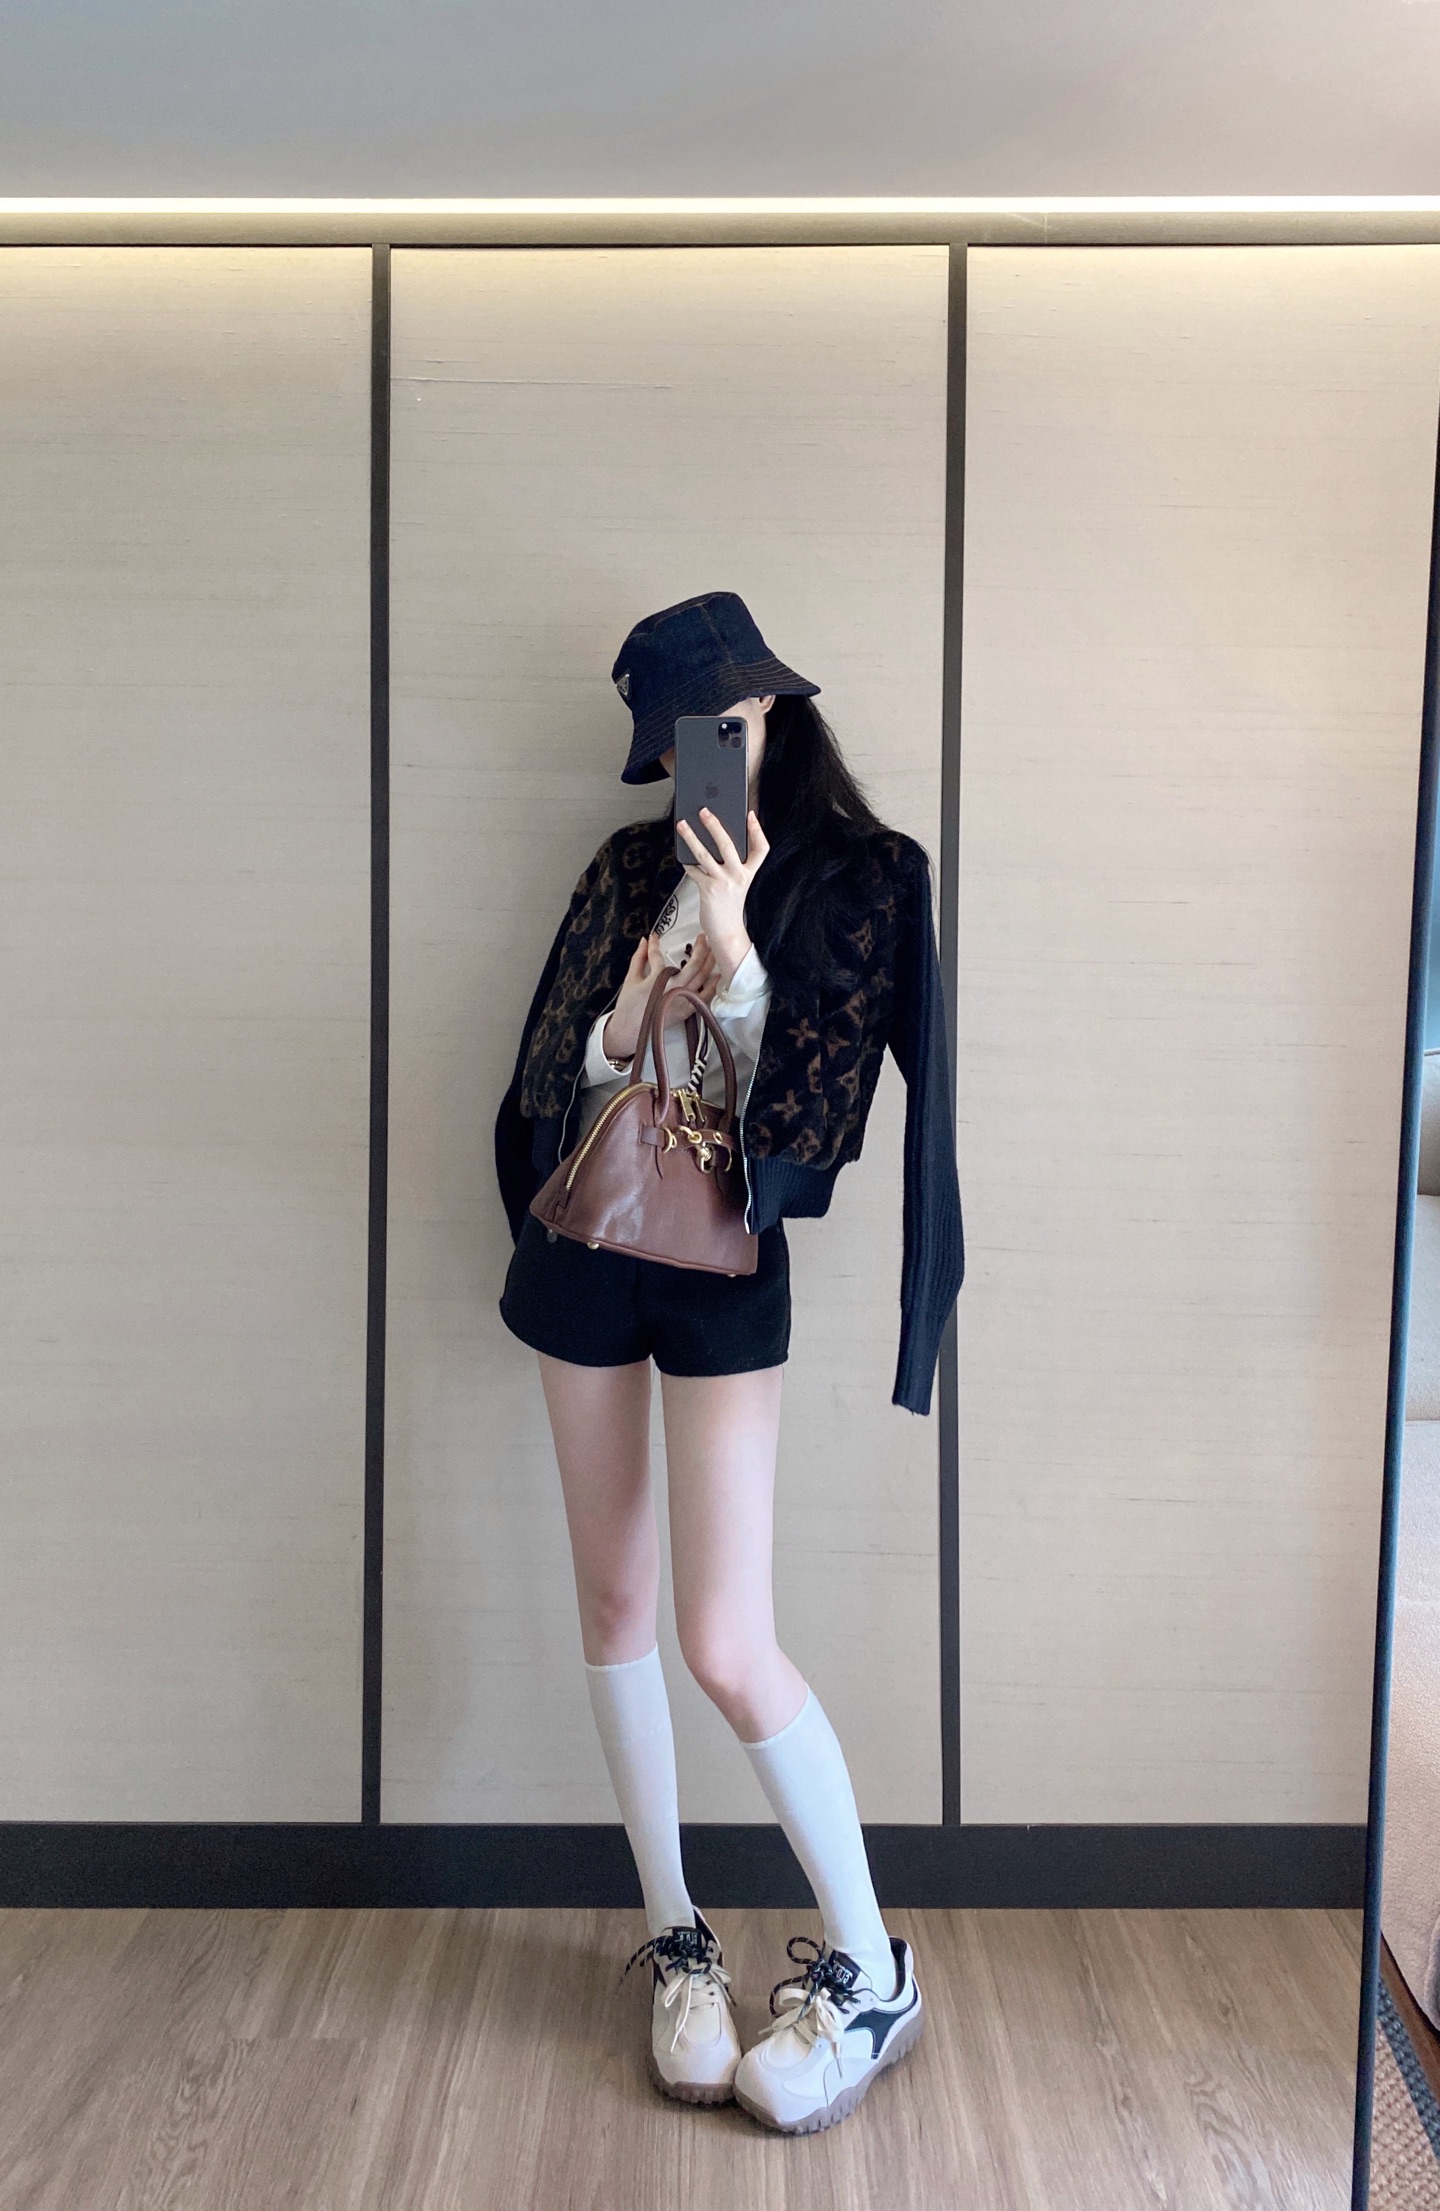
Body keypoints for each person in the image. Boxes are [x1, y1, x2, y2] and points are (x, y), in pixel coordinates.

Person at [494, 590, 963, 2135]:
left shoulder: (863, 877)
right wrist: (630, 1010)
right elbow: (551, 1080)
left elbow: (816, 1124)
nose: (713, 754)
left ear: (780, 716)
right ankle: (677, 1937)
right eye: (688, 737)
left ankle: (872, 1966)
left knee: (724, 1638)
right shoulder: (624, 868)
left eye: (736, 723)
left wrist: (740, 944)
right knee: (614, 1607)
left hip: (723, 1278)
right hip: (586, 1257)